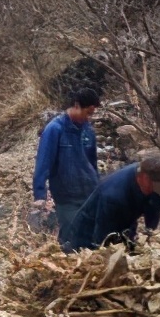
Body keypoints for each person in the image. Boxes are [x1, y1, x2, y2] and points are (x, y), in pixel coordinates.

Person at [60, 151, 160, 253]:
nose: (157, 191)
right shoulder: (113, 195)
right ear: (144, 178)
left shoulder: (154, 182)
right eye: (155, 187)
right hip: (87, 236)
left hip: (124, 222)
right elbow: (101, 241)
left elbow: (154, 206)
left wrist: (150, 233)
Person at [32, 87, 100, 241]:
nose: (89, 118)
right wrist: (39, 193)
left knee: (90, 235)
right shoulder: (55, 129)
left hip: (89, 192)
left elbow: (93, 162)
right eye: (87, 113)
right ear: (76, 106)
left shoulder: (87, 130)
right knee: (73, 236)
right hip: (66, 196)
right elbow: (43, 162)